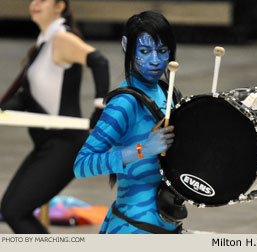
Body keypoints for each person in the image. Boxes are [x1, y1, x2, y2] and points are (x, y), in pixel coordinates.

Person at [0, 0, 109, 233]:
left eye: (43, 0)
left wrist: (100, 108)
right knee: (11, 208)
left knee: (15, 210)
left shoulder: (61, 38)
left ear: (60, 6)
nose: (34, 4)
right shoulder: (44, 42)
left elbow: (99, 61)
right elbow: (28, 98)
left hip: (65, 145)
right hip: (47, 144)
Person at [74, 11, 185, 234]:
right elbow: (82, 165)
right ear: (127, 46)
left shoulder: (168, 92)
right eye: (145, 51)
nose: (155, 60)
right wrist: (141, 149)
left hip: (169, 223)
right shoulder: (124, 104)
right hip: (132, 228)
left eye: (162, 51)